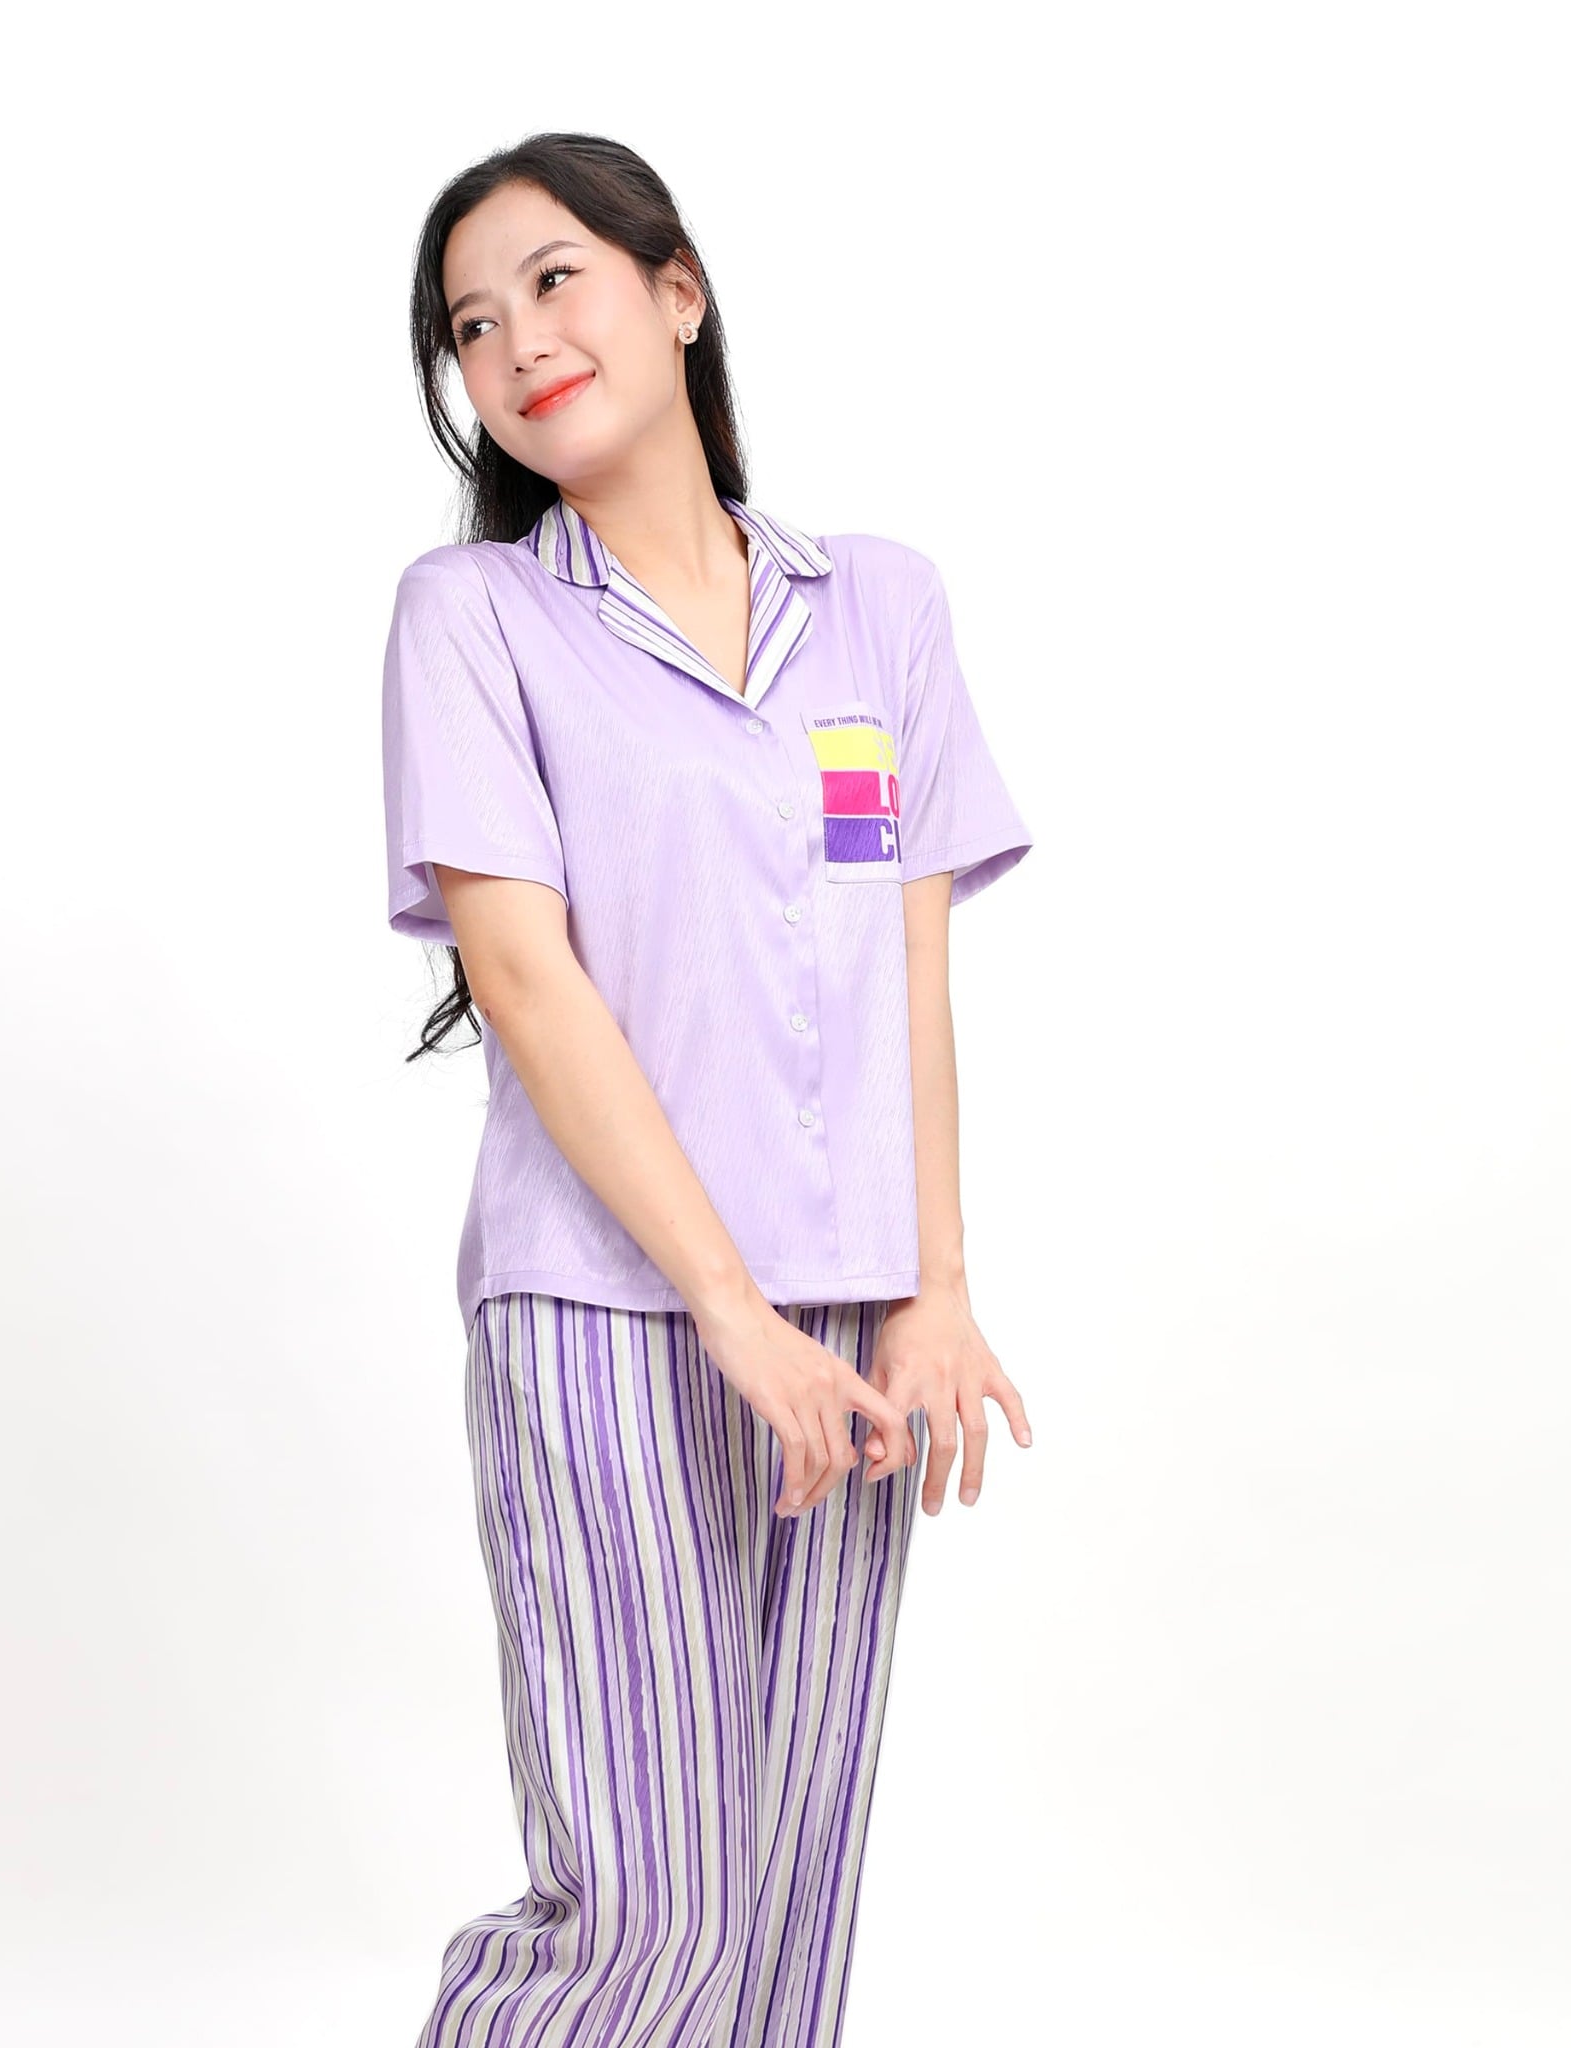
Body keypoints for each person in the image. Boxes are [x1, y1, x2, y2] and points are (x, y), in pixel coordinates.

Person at [381, 132, 1037, 2048]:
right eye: (470, 327)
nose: (517, 343)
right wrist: (728, 1311)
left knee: (781, 1905)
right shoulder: (474, 617)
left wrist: (936, 1286)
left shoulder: (882, 606)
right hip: (606, 1306)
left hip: (850, 1317)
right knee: (648, 1910)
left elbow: (908, 957)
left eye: (554, 281)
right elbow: (525, 980)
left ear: (678, 292)